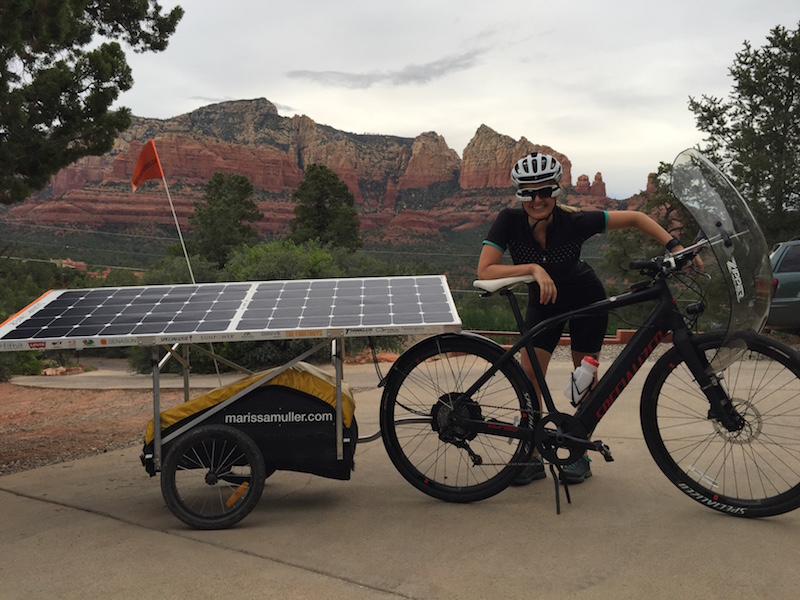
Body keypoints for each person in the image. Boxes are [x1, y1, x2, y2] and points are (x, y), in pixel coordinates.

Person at [477, 151, 695, 485]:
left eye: (545, 191)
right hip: (544, 301)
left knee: (584, 381)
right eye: (528, 193)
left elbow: (636, 218)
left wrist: (675, 246)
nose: (537, 200)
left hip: (585, 300)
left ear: (556, 191)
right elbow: (486, 269)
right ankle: (531, 454)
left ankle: (577, 452)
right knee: (530, 378)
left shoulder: (575, 221)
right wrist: (535, 269)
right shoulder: (509, 220)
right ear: (519, 194)